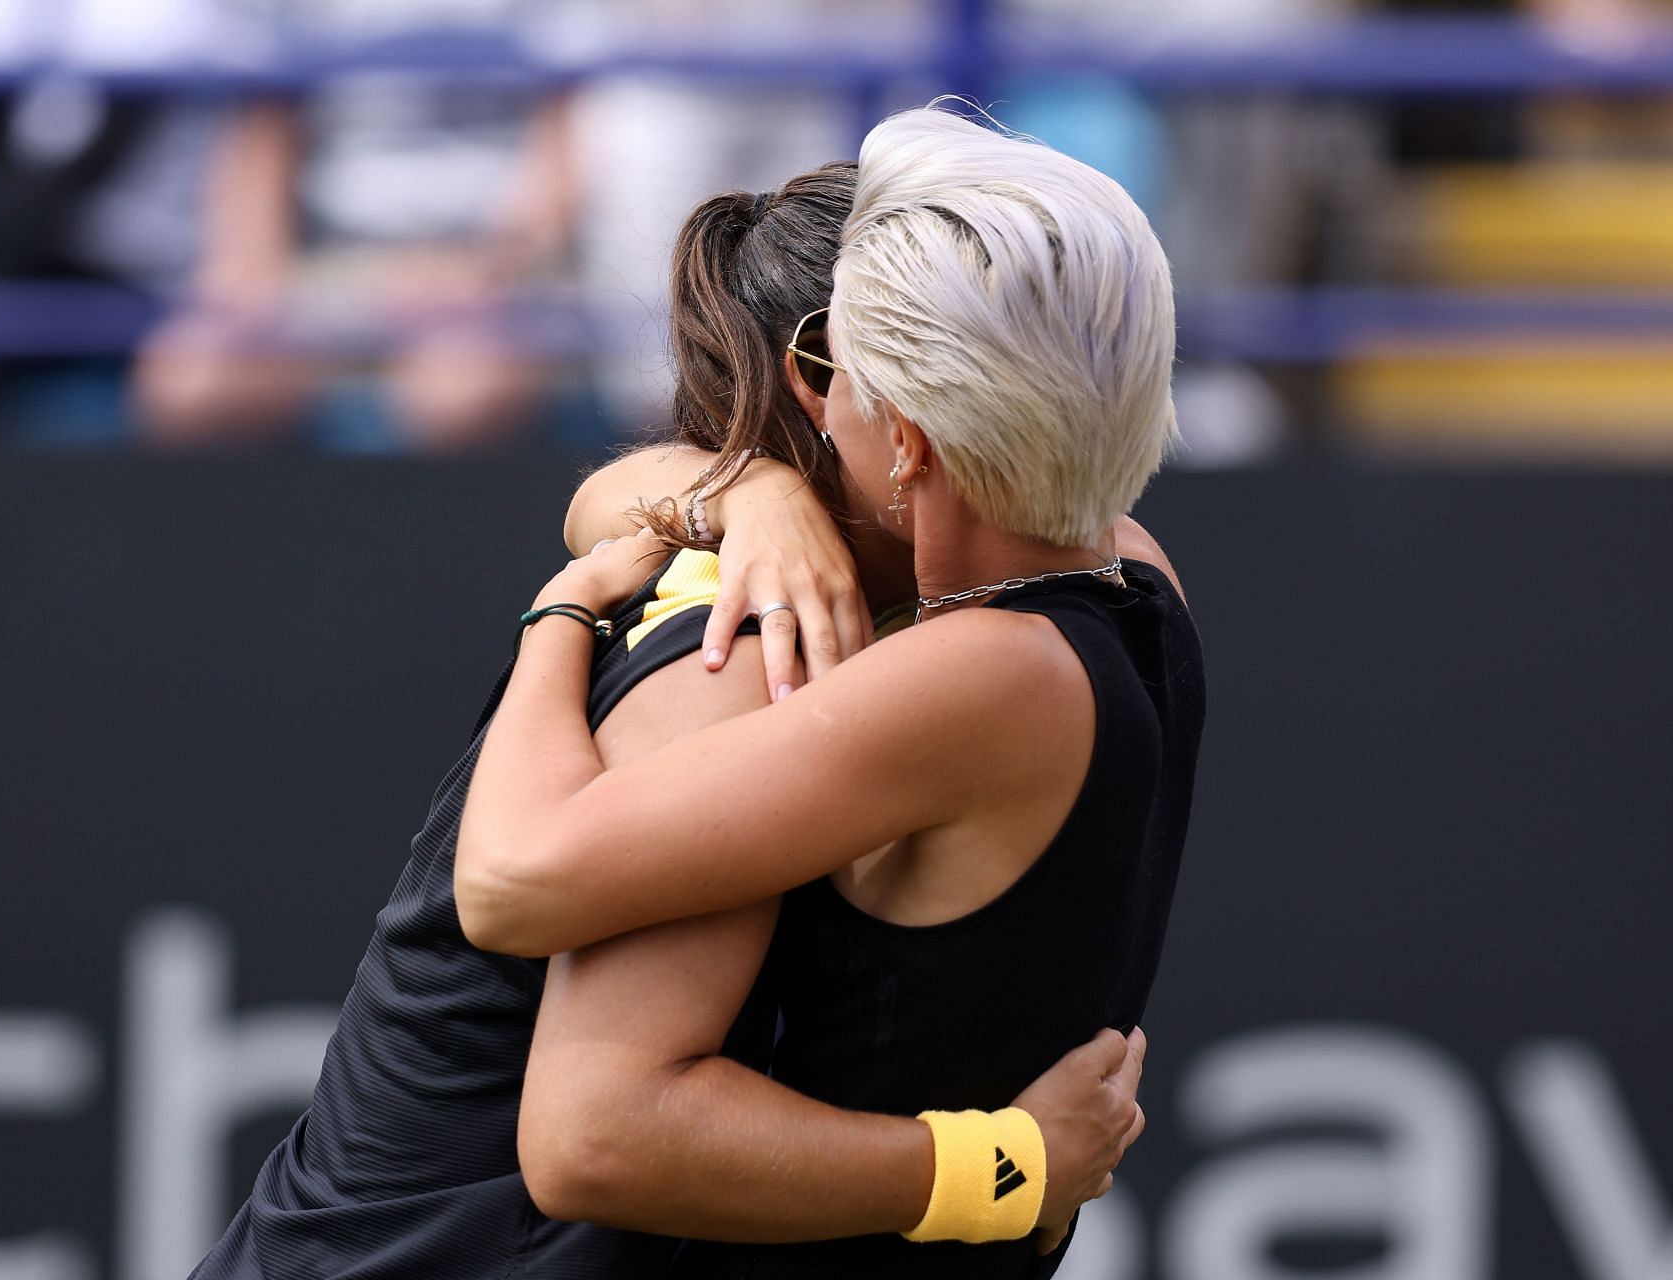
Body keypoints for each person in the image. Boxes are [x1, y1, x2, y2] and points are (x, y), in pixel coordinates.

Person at [191, 155, 1148, 1280]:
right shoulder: (744, 647)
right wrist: (1007, 1167)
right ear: (830, 389)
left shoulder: (978, 599)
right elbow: (588, 1103)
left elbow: (605, 496)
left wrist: (744, 488)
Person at [456, 105, 1205, 1278]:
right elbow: (637, 482)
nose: (812, 398)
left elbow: (512, 888)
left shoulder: (978, 677)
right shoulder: (1134, 569)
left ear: (903, 437)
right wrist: (751, 491)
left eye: (835, 377)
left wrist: (561, 613)